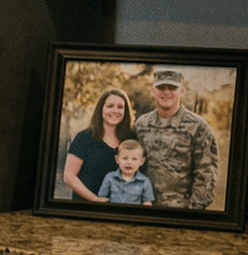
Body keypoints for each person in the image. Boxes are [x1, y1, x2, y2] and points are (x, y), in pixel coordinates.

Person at [132, 67, 219, 209]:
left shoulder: (198, 127)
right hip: (143, 206)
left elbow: (206, 173)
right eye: (161, 87)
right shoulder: (141, 124)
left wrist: (193, 211)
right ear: (153, 91)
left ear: (181, 91)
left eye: (172, 87)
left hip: (180, 210)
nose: (166, 92)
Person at [62, 87, 136, 203]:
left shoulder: (130, 140)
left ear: (126, 111)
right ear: (101, 109)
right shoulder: (84, 138)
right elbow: (69, 176)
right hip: (86, 208)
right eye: (110, 106)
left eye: (120, 107)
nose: (115, 110)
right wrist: (95, 199)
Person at [97, 138, 155, 205]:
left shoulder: (145, 181)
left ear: (141, 161)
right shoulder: (110, 177)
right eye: (125, 158)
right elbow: (101, 198)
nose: (129, 162)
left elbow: (147, 202)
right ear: (117, 159)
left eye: (134, 159)